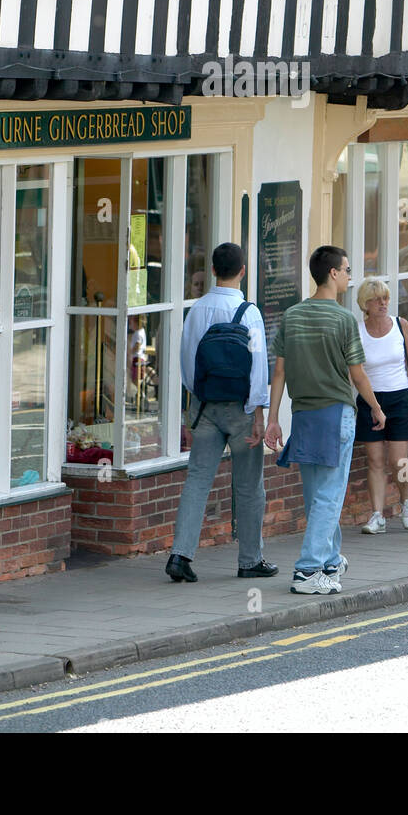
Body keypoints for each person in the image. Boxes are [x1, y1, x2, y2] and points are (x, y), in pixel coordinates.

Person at [265, 246, 386, 594]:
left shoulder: (291, 315)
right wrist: (376, 408)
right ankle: (306, 571)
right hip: (336, 415)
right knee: (330, 496)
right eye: (347, 269)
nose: (350, 275)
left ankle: (330, 561)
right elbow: (358, 375)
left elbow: (280, 372)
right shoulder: (344, 319)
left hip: (303, 414)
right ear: (332, 273)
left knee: (316, 494)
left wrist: (273, 419)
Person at [166, 242, 275, 583]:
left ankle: (180, 555)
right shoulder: (249, 311)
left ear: (213, 270)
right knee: (248, 485)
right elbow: (258, 366)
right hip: (242, 408)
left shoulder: (196, 309)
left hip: (205, 407)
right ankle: (249, 560)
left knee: (197, 480)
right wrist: (259, 413)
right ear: (242, 271)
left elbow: (187, 363)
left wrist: (196, 400)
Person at [354, 277, 408, 533]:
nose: (382, 303)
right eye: (376, 299)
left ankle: (406, 500)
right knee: (374, 460)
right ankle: (377, 515)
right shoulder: (358, 330)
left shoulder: (400, 324)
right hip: (371, 400)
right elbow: (356, 369)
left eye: (385, 298)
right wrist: (372, 404)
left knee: (399, 460)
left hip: (399, 397)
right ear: (365, 304)